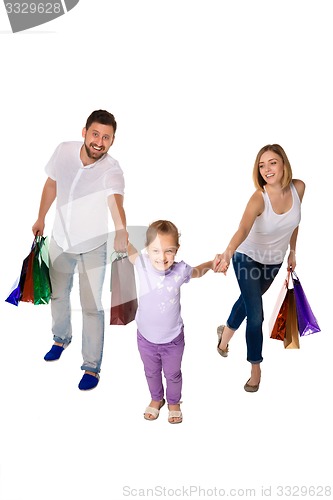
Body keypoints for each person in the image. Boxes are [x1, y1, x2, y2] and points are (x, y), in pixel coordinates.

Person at [32, 109, 128, 391]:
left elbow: (115, 202)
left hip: (92, 247)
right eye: (95, 134)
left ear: (112, 141)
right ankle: (60, 338)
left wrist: (122, 230)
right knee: (59, 294)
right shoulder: (63, 151)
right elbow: (52, 183)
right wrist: (40, 217)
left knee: (91, 306)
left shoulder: (112, 169)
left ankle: (91, 367)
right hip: (60, 239)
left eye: (106, 137)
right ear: (84, 132)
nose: (100, 141)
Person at [213, 144, 305, 392]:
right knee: (256, 315)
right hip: (246, 257)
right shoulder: (259, 197)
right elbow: (242, 229)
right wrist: (228, 252)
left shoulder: (299, 188)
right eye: (262, 165)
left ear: (283, 164)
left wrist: (293, 251)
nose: (267, 169)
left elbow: (294, 223)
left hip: (274, 261)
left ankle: (223, 338)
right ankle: (255, 367)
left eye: (272, 162)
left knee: (247, 301)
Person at [128, 220, 214, 423]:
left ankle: (174, 402)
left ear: (177, 250)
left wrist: (211, 264)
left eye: (169, 251)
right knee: (151, 372)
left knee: (173, 374)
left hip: (173, 339)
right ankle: (156, 398)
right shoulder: (141, 263)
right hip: (146, 338)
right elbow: (127, 246)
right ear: (147, 250)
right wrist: (120, 235)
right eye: (156, 250)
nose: (162, 257)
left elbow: (198, 272)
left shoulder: (180, 270)